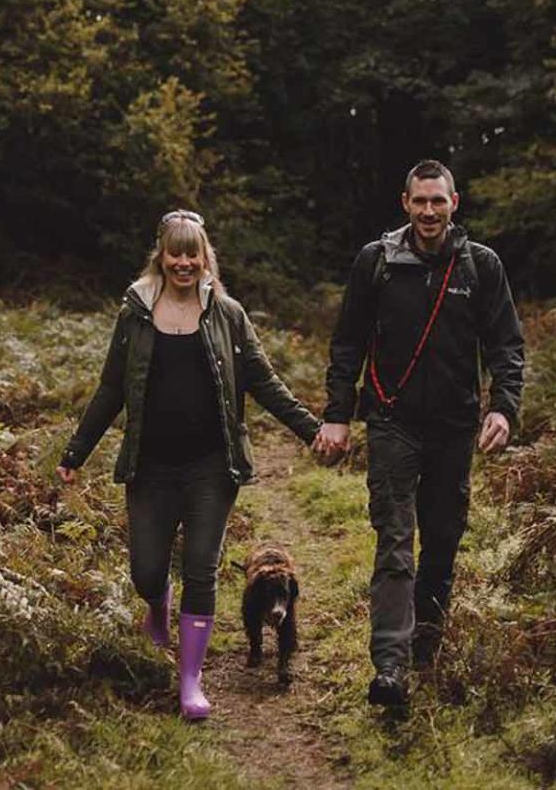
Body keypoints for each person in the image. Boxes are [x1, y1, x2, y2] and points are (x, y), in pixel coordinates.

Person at [57, 210, 321, 720]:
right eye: (174, 253)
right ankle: (158, 605)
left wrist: (311, 429)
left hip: (211, 467)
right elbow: (112, 387)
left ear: (205, 258)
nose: (183, 262)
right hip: (150, 466)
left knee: (203, 567)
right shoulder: (135, 313)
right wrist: (76, 452)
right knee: (145, 571)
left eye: (192, 253)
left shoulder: (227, 314)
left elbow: (263, 382)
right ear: (161, 254)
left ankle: (190, 680)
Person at [313, 159, 524, 708]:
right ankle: (390, 667)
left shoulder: (481, 267)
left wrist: (503, 408)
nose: (429, 211)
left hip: (455, 429)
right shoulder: (376, 263)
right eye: (420, 201)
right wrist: (338, 413)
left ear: (455, 204)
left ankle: (426, 649)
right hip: (391, 423)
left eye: (439, 201)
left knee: (443, 540)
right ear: (404, 204)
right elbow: (347, 343)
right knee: (395, 541)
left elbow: (506, 346)